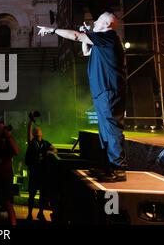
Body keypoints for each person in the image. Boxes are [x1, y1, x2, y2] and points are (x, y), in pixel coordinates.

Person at [38, 12, 127, 182]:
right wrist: (86, 35)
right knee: (104, 131)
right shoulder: (102, 41)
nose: (95, 22)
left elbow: (77, 37)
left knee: (112, 128)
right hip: (103, 92)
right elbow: (86, 51)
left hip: (109, 90)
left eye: (98, 19)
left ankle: (119, 168)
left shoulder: (109, 37)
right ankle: (108, 166)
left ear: (106, 24)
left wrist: (53, 30)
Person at [25, 113, 57, 222]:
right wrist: (30, 121)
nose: (37, 130)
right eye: (35, 129)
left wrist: (50, 151)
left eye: (38, 129)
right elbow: (28, 133)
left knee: (43, 195)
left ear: (41, 133)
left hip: (43, 173)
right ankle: (29, 214)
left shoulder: (45, 143)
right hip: (34, 172)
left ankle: (40, 213)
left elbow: (55, 149)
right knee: (32, 195)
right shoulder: (32, 143)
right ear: (34, 133)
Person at [0, 120, 19, 225]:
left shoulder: (9, 139)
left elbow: (16, 151)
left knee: (8, 202)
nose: (2, 130)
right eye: (0, 128)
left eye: (3, 128)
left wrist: (9, 137)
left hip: (7, 174)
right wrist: (0, 137)